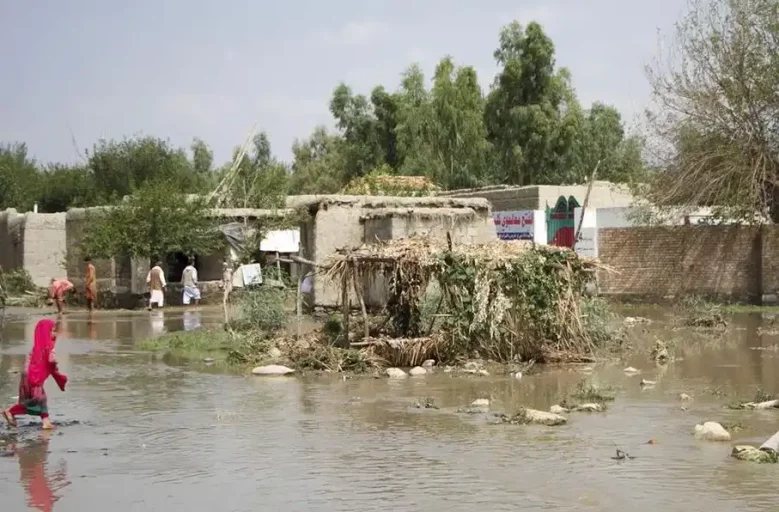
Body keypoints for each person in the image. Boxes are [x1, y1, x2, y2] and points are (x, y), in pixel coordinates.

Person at [2, 319, 68, 430]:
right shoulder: (48, 347)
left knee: (42, 398)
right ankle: (10, 411)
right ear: (45, 332)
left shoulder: (38, 346)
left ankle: (46, 422)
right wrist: (55, 365)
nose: (54, 334)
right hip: (34, 377)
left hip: (29, 375)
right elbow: (51, 360)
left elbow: (32, 361)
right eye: (52, 331)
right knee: (36, 400)